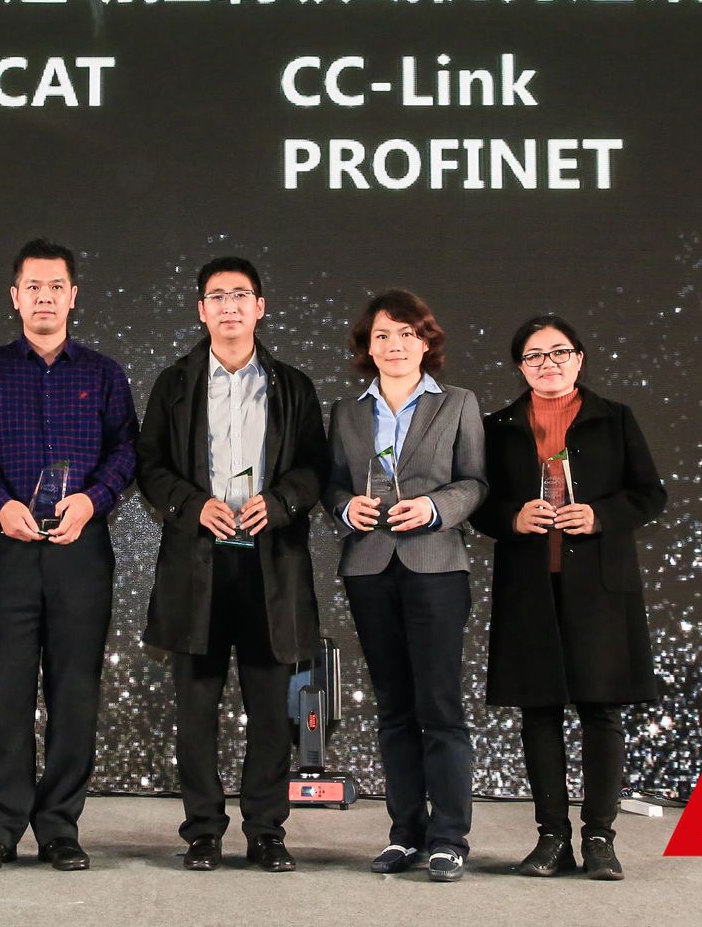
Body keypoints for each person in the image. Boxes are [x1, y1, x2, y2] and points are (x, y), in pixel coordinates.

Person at [0, 238, 138, 874]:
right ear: (15, 296)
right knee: (5, 690)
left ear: (73, 296)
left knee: (74, 691)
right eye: (33, 287)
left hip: (81, 551)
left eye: (56, 286)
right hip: (8, 547)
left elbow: (127, 450)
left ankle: (60, 827)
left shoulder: (104, 374)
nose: (45, 298)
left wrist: (94, 500)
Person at [137, 256, 329, 873]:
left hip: (271, 567)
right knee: (196, 708)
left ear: (260, 307)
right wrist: (193, 506)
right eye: (216, 296)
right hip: (198, 566)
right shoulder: (174, 383)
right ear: (201, 310)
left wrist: (281, 503)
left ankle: (267, 830)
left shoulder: (292, 385)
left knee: (271, 709)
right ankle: (203, 830)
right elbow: (150, 466)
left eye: (240, 295)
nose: (229, 306)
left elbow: (315, 467)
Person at [473, 314, 668, 883]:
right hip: (528, 584)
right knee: (539, 710)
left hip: (601, 586)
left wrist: (600, 515)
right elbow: (478, 501)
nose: (548, 364)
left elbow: (650, 494)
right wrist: (512, 517)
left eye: (559, 352)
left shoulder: (615, 418)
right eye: (534, 356)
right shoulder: (498, 426)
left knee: (601, 711)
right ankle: (552, 836)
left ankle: (600, 837)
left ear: (579, 358)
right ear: (520, 367)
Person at [324, 289, 485, 883]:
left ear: (426, 342)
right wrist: (347, 509)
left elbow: (475, 482)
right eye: (383, 335)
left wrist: (435, 508)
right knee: (393, 708)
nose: (395, 345)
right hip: (369, 567)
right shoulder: (346, 412)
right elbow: (331, 485)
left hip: (436, 565)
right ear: (367, 347)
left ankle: (449, 838)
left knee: (439, 706)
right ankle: (405, 835)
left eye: (407, 334)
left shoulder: (458, 402)